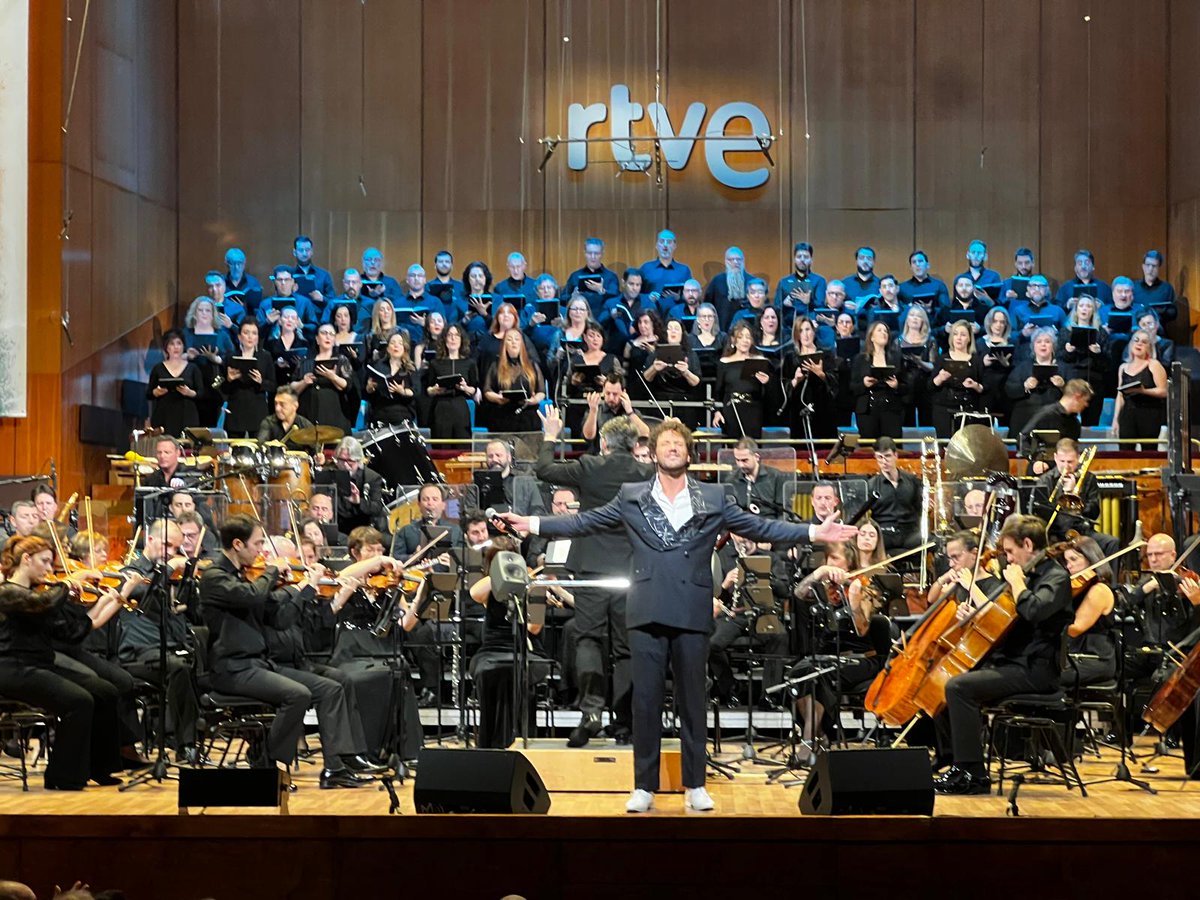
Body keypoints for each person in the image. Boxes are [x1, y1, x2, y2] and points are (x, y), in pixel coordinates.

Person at [500, 418, 857, 814]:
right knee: (646, 704)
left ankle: (695, 785)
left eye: (678, 443)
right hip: (647, 609)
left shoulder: (715, 496)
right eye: (665, 443)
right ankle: (644, 787)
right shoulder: (631, 495)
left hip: (690, 610)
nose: (672, 448)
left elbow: (761, 526)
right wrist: (531, 523)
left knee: (692, 703)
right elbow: (584, 521)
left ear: (689, 454)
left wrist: (812, 533)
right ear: (652, 453)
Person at [197, 514, 380, 787]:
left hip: (257, 665)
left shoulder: (244, 576)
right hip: (232, 668)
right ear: (238, 544)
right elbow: (253, 596)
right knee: (297, 694)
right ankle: (266, 761)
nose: (261, 550)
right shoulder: (214, 576)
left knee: (330, 688)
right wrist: (273, 571)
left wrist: (303, 588)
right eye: (257, 544)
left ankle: (335, 769)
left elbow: (279, 617)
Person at [533, 409, 654, 747]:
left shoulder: (590, 466)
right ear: (634, 445)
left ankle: (591, 713)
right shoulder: (646, 472)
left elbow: (543, 469)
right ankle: (626, 721)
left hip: (591, 567)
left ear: (603, 443)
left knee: (588, 639)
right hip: (632, 568)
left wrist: (551, 435)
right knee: (627, 647)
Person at [934, 515, 1072, 795]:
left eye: (1010, 551)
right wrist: (974, 615)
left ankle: (972, 774)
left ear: (1028, 544)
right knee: (948, 677)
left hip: (1037, 670)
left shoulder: (1056, 577)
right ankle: (954, 763)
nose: (1007, 558)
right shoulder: (1022, 574)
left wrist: (1017, 584)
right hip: (1013, 663)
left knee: (959, 688)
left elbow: (1034, 611)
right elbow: (1002, 620)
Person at [0, 536, 125, 790]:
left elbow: (71, 634)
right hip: (12, 668)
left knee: (105, 691)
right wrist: (67, 584)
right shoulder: (7, 592)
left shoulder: (39, 595)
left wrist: (101, 603)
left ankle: (98, 768)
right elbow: (40, 604)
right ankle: (62, 776)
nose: (49, 570)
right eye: (45, 562)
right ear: (26, 559)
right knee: (79, 701)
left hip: (39, 666)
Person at [1029, 438, 1116, 554]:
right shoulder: (1045, 480)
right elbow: (1040, 514)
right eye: (1062, 461)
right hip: (1055, 534)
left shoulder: (1089, 479)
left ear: (1078, 458)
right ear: (1055, 458)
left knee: (1112, 542)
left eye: (1070, 462)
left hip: (1082, 532)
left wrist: (1075, 494)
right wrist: (1064, 495)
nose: (1066, 467)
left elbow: (1094, 512)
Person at [1060, 536, 1117, 688]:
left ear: (1091, 559)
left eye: (1074, 559)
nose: (1069, 566)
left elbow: (1075, 629)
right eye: (1067, 561)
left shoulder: (1099, 589)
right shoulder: (1079, 588)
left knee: (1046, 676)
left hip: (1095, 658)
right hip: (1076, 654)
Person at [291, 323, 358, 432]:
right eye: (324, 333)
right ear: (317, 339)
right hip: (309, 413)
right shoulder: (306, 361)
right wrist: (304, 382)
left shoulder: (341, 360)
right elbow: (292, 388)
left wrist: (333, 377)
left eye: (331, 334)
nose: (328, 336)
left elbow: (348, 385)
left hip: (334, 413)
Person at [1018, 378, 1093, 472]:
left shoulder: (1075, 424)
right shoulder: (1046, 414)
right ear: (1077, 396)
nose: (1086, 405)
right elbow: (1023, 438)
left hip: (1063, 472)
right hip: (1041, 472)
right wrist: (1034, 461)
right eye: (1085, 400)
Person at [928, 320, 986, 438]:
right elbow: (930, 386)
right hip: (943, 410)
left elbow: (985, 387)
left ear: (969, 338)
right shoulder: (942, 359)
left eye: (963, 335)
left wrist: (975, 385)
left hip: (968, 410)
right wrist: (939, 378)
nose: (958, 338)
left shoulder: (976, 360)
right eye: (955, 334)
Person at [482, 328, 547, 433]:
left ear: (522, 344)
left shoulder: (532, 365)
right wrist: (496, 398)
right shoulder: (495, 365)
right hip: (502, 414)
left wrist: (534, 400)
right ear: (504, 344)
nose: (513, 342)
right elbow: (487, 390)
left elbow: (541, 391)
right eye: (509, 339)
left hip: (527, 413)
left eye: (517, 339)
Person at [784, 316, 838, 441]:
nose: (805, 334)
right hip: (799, 411)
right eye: (801, 331)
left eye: (808, 329)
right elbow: (784, 387)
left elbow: (835, 383)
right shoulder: (790, 357)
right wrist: (796, 380)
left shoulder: (826, 354)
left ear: (814, 331)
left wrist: (821, 374)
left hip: (823, 410)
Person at [1113, 329, 1168, 450]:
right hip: (1127, 413)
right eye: (1136, 340)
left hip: (1149, 413)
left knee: (1149, 450)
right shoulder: (1123, 367)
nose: (1139, 344)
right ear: (1131, 344)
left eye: (1144, 342)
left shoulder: (1154, 365)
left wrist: (1143, 391)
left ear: (1149, 347)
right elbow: (1120, 395)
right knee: (1125, 451)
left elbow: (1164, 391)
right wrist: (1115, 419)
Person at [642, 318, 702, 429]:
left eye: (676, 329)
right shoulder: (656, 353)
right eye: (670, 329)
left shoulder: (690, 354)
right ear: (666, 333)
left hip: (684, 403)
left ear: (682, 334)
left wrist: (685, 372)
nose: (673, 331)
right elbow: (646, 377)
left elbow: (696, 381)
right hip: (660, 402)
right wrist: (654, 368)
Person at [422, 323, 478, 443]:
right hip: (441, 406)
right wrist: (434, 390)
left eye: (457, 335)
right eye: (449, 335)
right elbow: (428, 389)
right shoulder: (435, 363)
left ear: (462, 339)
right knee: (441, 445)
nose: (453, 338)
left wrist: (465, 388)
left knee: (462, 444)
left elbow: (474, 388)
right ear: (444, 339)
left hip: (460, 405)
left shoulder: (469, 363)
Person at [866, 436, 923, 551]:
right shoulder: (871, 485)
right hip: (884, 534)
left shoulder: (911, 480)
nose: (884, 461)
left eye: (887, 456)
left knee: (936, 542)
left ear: (896, 455)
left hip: (910, 533)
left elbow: (919, 509)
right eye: (879, 457)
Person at [713, 322, 769, 439]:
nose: (745, 340)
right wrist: (717, 412)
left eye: (748, 337)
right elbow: (718, 392)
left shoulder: (759, 361)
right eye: (740, 337)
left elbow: (768, 393)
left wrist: (767, 382)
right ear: (733, 340)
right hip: (731, 411)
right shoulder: (724, 362)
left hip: (753, 411)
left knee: (752, 447)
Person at [221, 318, 276, 437]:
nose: (250, 337)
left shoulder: (265, 357)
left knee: (259, 449)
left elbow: (272, 385)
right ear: (240, 337)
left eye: (254, 333)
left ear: (257, 337)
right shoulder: (230, 357)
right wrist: (229, 380)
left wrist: (261, 382)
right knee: (235, 449)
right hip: (236, 409)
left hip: (257, 410)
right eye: (246, 333)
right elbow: (222, 388)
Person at [1006, 327, 1065, 436]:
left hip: (1054, 420)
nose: (1043, 344)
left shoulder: (1062, 367)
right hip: (1026, 419)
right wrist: (1025, 386)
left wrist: (1063, 386)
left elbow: (1074, 391)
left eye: (1047, 342)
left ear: (1053, 346)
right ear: (1033, 346)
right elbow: (1009, 389)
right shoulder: (1023, 367)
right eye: (1039, 342)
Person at [850, 321, 904, 440]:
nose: (883, 333)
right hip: (867, 410)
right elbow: (852, 386)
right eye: (879, 330)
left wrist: (896, 386)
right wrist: (864, 384)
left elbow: (906, 387)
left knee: (892, 445)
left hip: (891, 410)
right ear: (872, 337)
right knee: (869, 448)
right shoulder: (860, 359)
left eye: (886, 331)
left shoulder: (896, 358)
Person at [147, 330, 202, 437]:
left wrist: (190, 393)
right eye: (172, 344)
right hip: (164, 414)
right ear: (166, 347)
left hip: (187, 414)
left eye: (179, 343)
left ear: (183, 346)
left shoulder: (193, 368)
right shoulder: (158, 368)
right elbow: (149, 393)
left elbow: (201, 393)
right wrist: (156, 392)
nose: (176, 347)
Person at [390, 483, 463, 559]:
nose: (430, 503)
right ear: (419, 505)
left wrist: (452, 561)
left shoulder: (456, 530)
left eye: (435, 499)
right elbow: (395, 558)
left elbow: (463, 559)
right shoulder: (406, 531)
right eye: (425, 499)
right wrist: (413, 556)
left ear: (443, 505)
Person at [332, 437, 386, 533]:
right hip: (338, 526)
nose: (345, 465)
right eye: (341, 460)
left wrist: (358, 502)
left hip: (363, 526)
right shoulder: (331, 475)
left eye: (349, 461)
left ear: (358, 460)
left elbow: (377, 507)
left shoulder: (372, 477)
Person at [363, 331, 418, 426]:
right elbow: (366, 393)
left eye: (400, 343)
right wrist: (369, 388)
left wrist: (402, 391)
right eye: (392, 343)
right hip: (380, 413)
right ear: (388, 348)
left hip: (402, 414)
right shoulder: (377, 366)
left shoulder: (410, 369)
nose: (396, 346)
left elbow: (417, 391)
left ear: (404, 348)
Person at [722, 438, 786, 518]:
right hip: (743, 527)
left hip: (770, 526)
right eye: (737, 460)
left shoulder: (776, 476)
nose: (740, 465)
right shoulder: (731, 480)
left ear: (756, 457)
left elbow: (784, 511)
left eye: (744, 460)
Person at [775, 241, 828, 326]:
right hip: (788, 326)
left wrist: (809, 301)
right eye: (799, 257)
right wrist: (784, 304)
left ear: (811, 260)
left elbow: (821, 308)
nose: (802, 259)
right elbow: (775, 308)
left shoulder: (819, 281)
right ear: (794, 259)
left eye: (806, 257)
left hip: (812, 324)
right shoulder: (783, 282)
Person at [564, 239, 620, 315]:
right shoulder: (575, 276)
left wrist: (602, 291)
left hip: (604, 320)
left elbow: (617, 298)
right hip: (579, 318)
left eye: (596, 253)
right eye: (589, 253)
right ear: (585, 253)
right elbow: (562, 299)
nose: (593, 257)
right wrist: (572, 296)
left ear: (602, 254)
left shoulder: (611, 276)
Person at [640, 230, 694, 309]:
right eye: (662, 241)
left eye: (669, 242)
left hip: (676, 317)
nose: (665, 245)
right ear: (656, 246)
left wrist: (679, 298)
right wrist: (648, 297)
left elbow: (692, 295)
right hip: (651, 315)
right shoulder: (646, 268)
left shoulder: (684, 270)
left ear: (674, 246)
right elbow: (636, 293)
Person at [290, 234, 337, 316]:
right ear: (294, 252)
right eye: (301, 250)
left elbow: (334, 302)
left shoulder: (324, 275)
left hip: (319, 319)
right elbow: (280, 301)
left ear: (312, 251)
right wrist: (290, 294)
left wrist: (322, 298)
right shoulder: (289, 276)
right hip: (294, 318)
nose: (304, 254)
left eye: (307, 250)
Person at [703, 246, 748, 327]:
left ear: (743, 260)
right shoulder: (717, 281)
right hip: (722, 330)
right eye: (731, 260)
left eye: (738, 259)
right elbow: (707, 305)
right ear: (726, 261)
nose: (735, 262)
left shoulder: (751, 282)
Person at [1133, 249, 1177, 324]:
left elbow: (1173, 313)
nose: (1150, 269)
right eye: (1148, 265)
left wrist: (1160, 312)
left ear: (1158, 268)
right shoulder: (1134, 287)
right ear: (1143, 267)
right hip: (1137, 330)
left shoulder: (1167, 288)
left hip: (1158, 330)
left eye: (1154, 266)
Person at [842, 246, 881, 312]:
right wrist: (842, 305)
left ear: (873, 262)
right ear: (856, 261)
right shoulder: (845, 283)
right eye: (861, 258)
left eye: (869, 258)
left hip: (874, 321)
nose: (865, 261)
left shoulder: (881, 285)